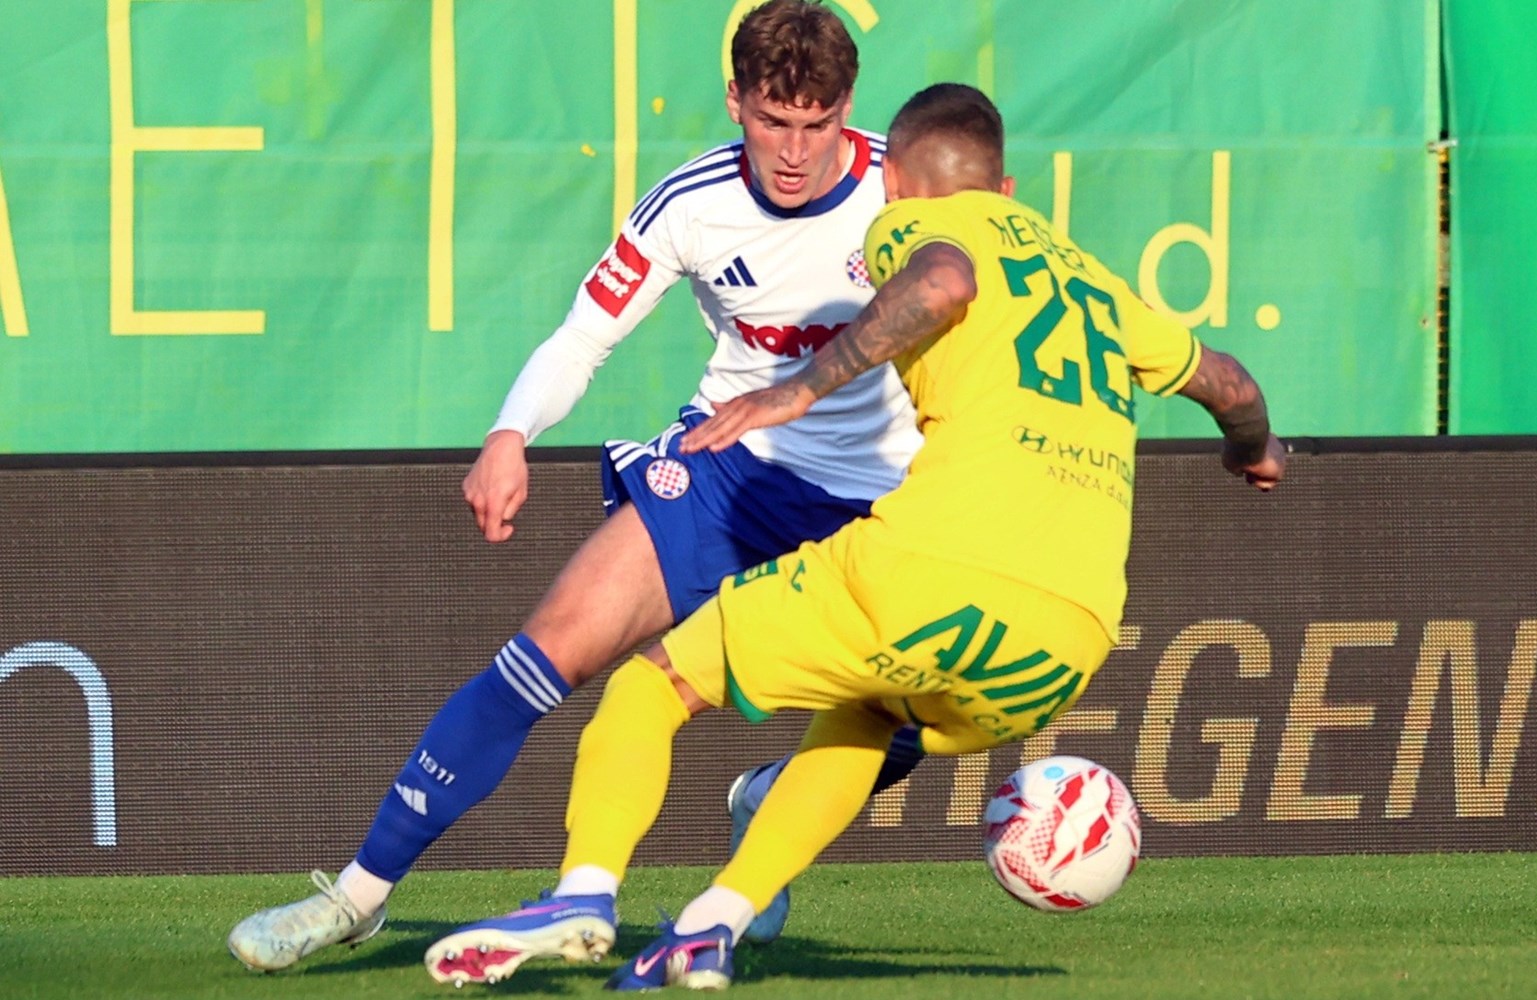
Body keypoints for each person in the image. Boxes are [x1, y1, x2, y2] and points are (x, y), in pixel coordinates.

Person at [435, 81, 1285, 992]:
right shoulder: (1095, 279)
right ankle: (713, 925)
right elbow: (1229, 382)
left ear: (898, 186)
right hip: (1068, 645)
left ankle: (583, 896)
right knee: (869, 718)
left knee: (656, 685)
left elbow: (946, 282)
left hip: (928, 571)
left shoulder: (911, 223)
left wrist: (799, 387)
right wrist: (1257, 449)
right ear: (1006, 188)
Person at [227, 0, 934, 976]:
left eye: (817, 125)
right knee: (545, 651)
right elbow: (583, 336)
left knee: (925, 715)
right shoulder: (688, 203)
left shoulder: (906, 197)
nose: (794, 151)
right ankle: (356, 896)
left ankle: (764, 812)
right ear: (735, 100)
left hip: (881, 504)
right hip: (731, 474)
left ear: (848, 108)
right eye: (773, 120)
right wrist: (511, 434)